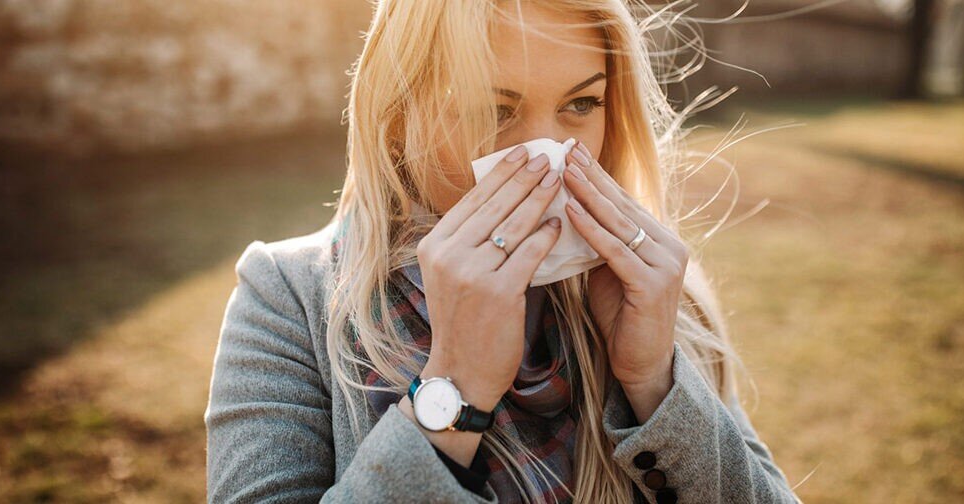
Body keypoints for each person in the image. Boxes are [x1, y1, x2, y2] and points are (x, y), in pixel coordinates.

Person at [204, 0, 802, 502]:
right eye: (493, 110)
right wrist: (455, 388)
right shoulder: (288, 297)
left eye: (581, 104)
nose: (546, 156)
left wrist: (653, 381)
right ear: (395, 118)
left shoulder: (652, 290)